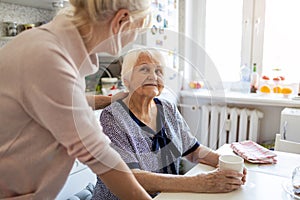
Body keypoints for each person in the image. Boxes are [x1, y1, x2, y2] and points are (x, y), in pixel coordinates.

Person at [0, 0, 153, 199]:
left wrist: (108, 100)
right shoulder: (48, 56)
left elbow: (67, 100)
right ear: (121, 20)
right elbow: (97, 153)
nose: (134, 37)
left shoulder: (56, 46)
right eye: (137, 30)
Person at [92, 49, 247, 199]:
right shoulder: (113, 117)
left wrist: (227, 165)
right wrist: (200, 182)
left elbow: (193, 150)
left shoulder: (167, 108)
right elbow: (130, 177)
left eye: (159, 71)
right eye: (144, 69)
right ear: (126, 80)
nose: (153, 76)